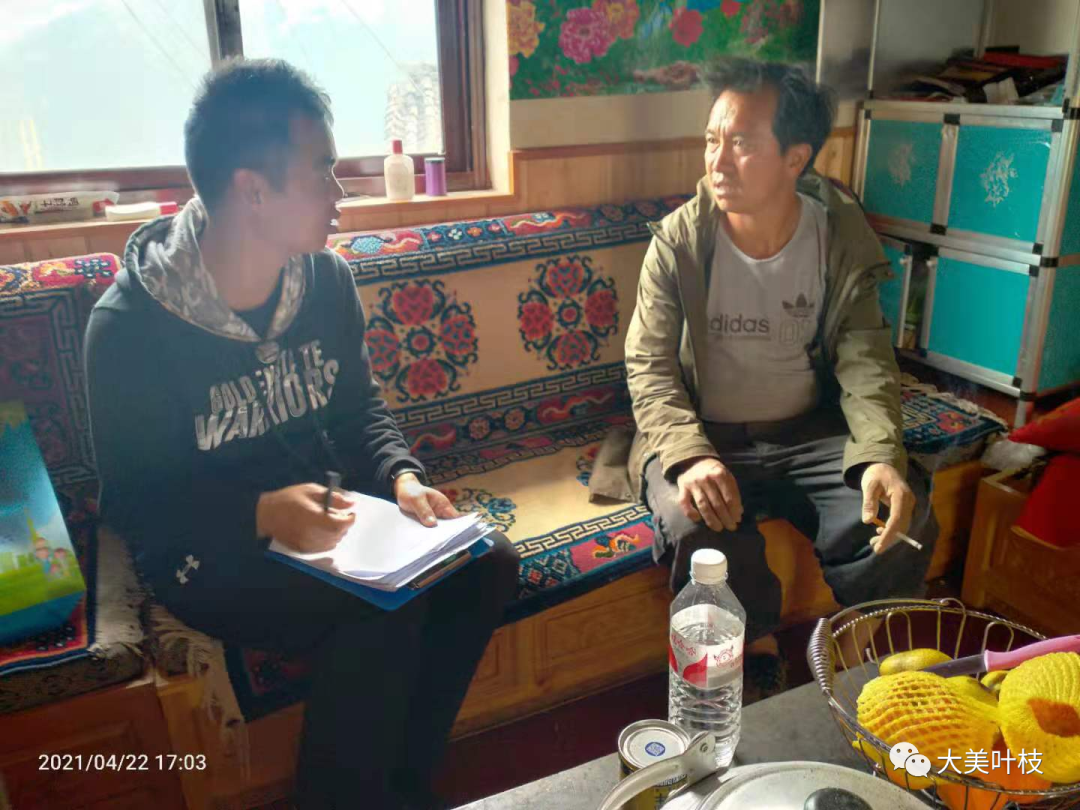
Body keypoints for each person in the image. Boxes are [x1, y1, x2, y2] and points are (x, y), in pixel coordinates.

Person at [85, 59, 519, 809]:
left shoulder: (324, 281)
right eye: (322, 171)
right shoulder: (129, 328)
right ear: (253, 190)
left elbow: (358, 411)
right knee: (382, 614)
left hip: (330, 524)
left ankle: (404, 786)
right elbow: (134, 501)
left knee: (488, 565)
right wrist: (260, 513)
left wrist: (401, 477)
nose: (339, 191)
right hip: (205, 550)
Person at [594, 58, 938, 695]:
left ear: (795, 158)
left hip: (809, 431)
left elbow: (866, 359)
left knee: (894, 506)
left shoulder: (837, 240)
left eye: (742, 144)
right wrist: (689, 454)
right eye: (712, 140)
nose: (717, 162)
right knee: (697, 523)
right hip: (706, 433)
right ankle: (753, 657)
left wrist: (879, 455)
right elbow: (649, 364)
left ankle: (855, 660)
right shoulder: (679, 241)